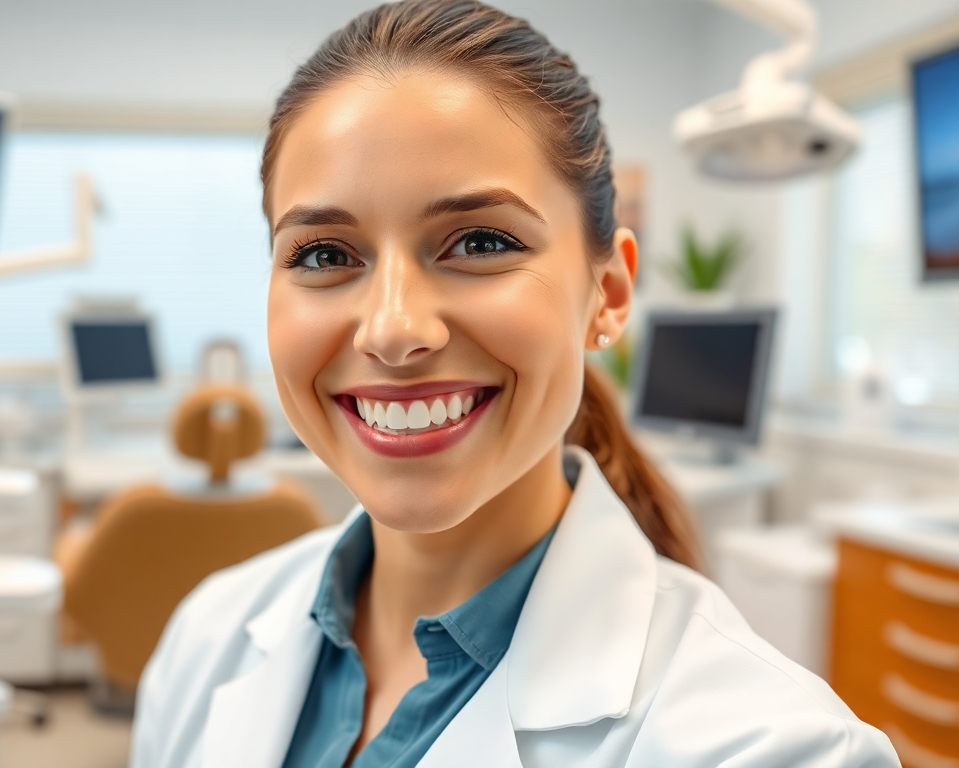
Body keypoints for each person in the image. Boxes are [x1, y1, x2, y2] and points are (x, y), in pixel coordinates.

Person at [130, 1, 899, 766]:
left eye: (481, 242)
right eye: (325, 254)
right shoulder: (209, 635)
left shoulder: (778, 748)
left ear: (608, 295)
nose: (394, 329)